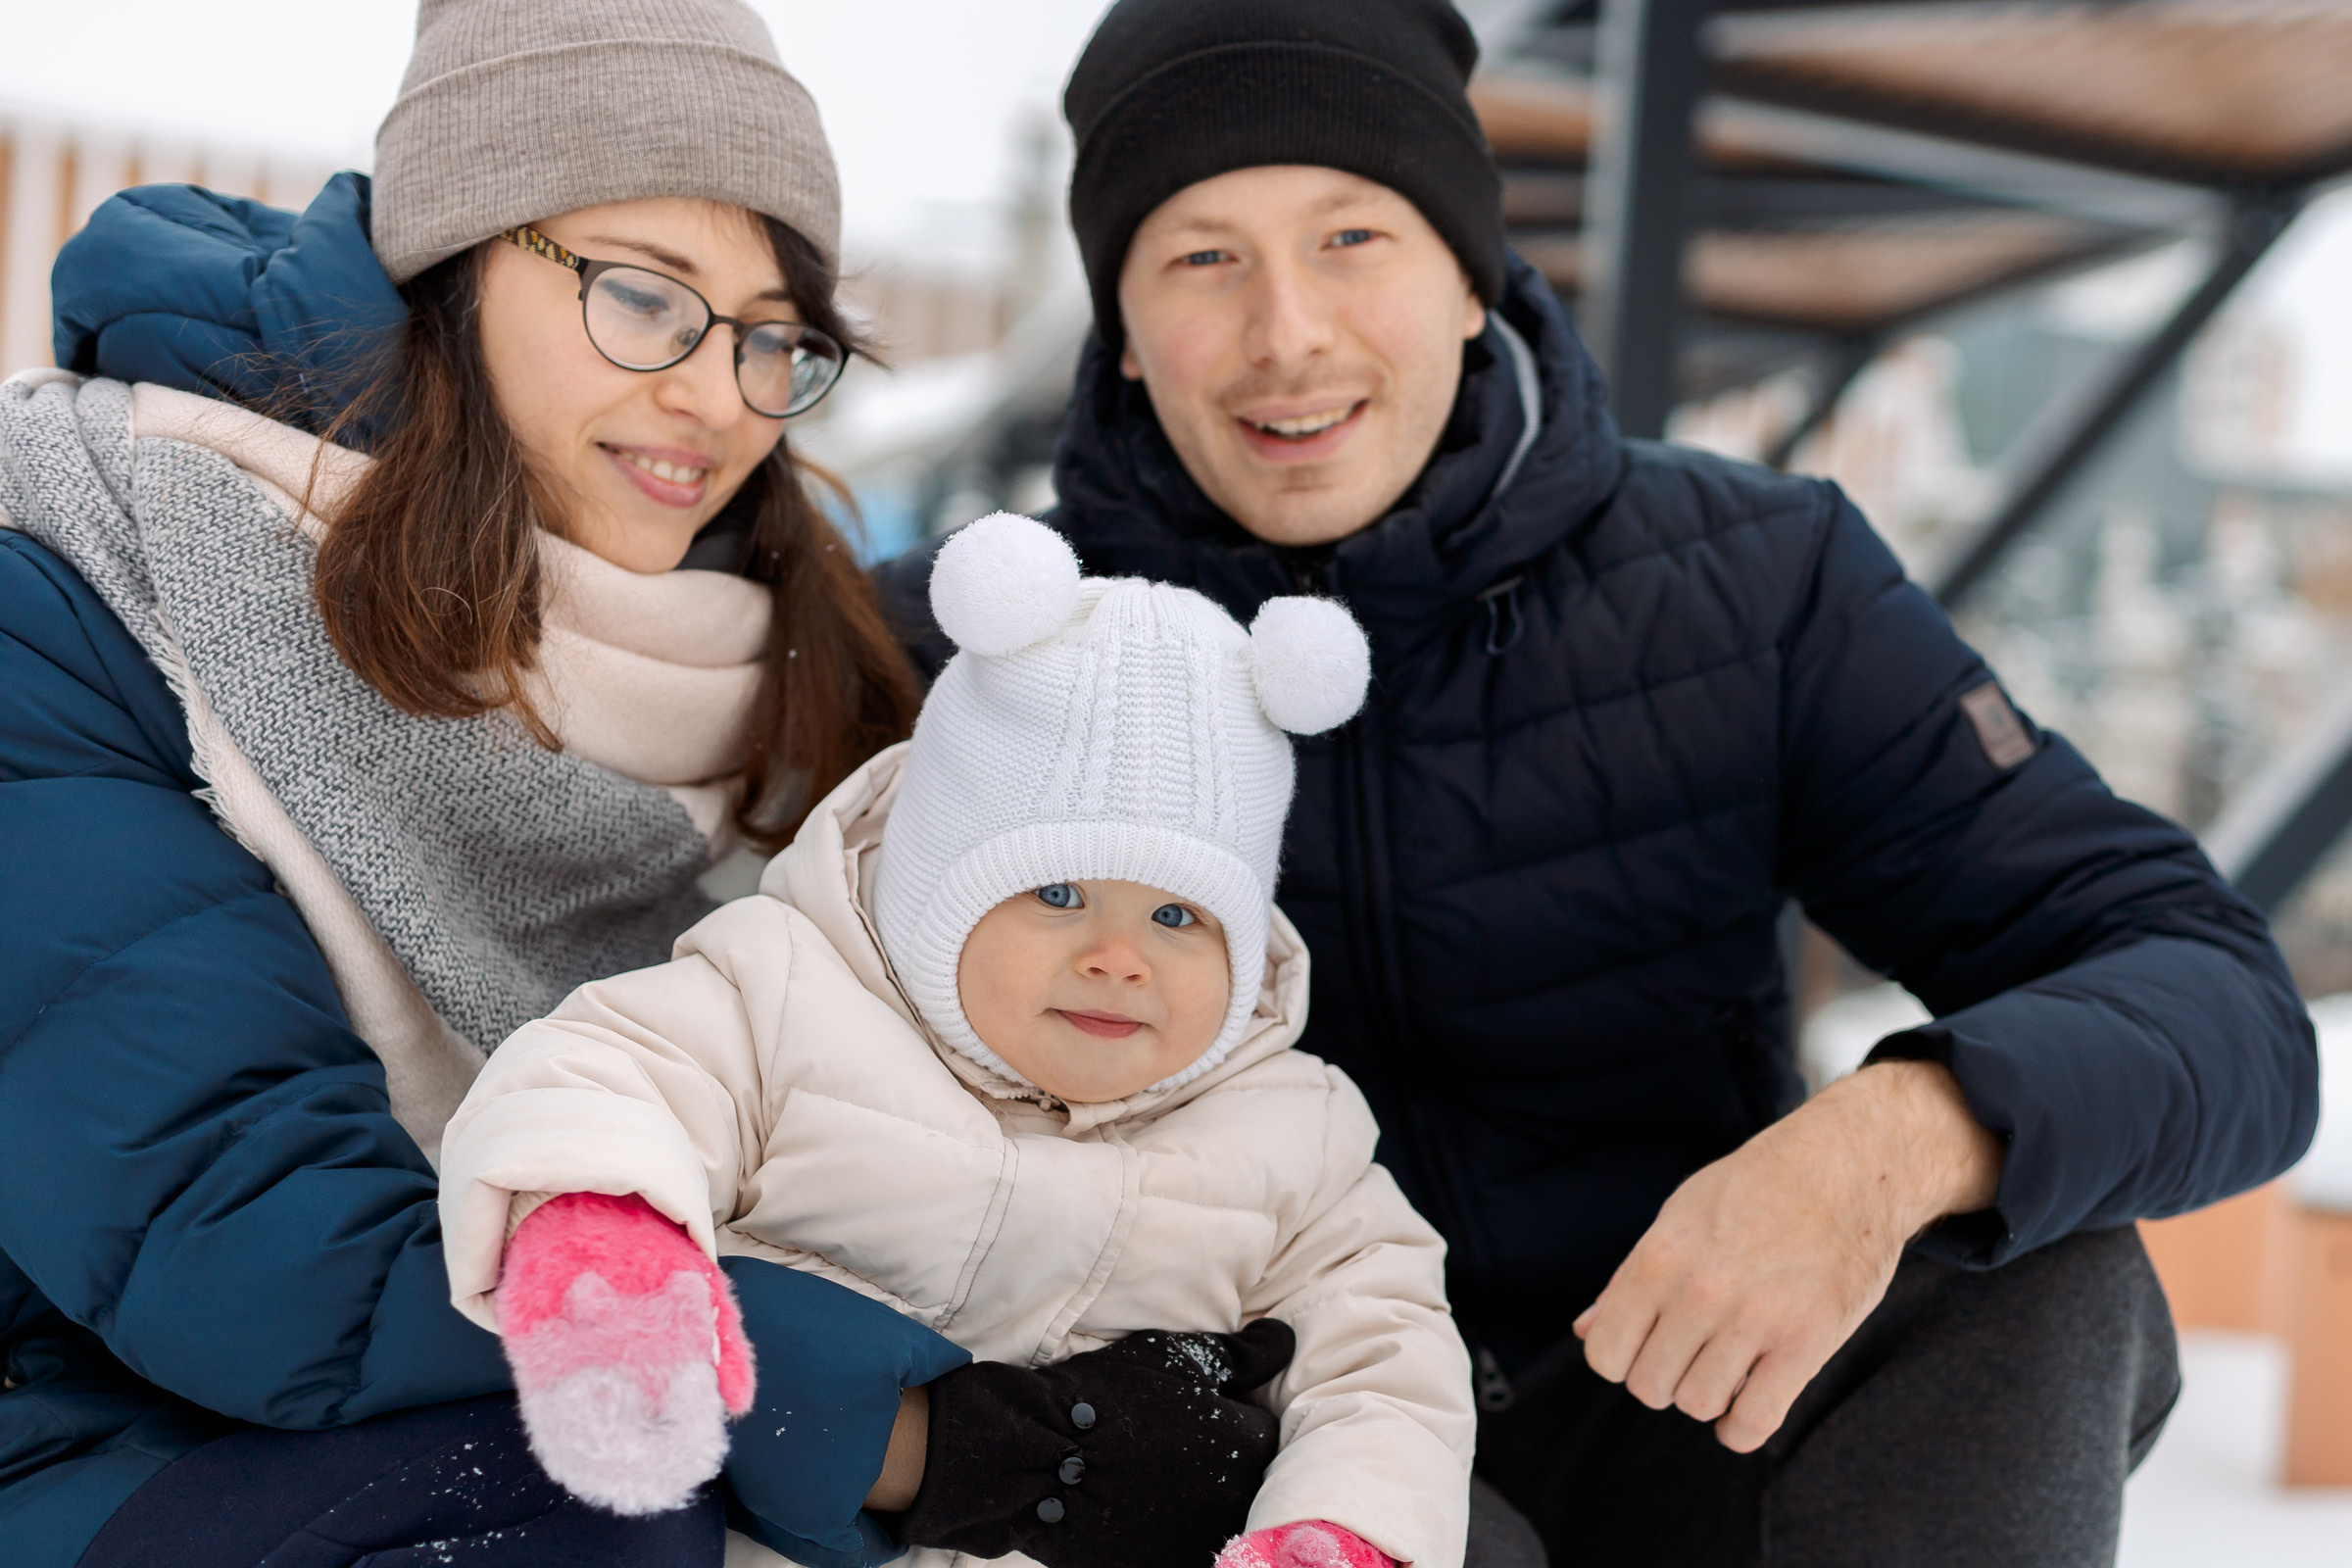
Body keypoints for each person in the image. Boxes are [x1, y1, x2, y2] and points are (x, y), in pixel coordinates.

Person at [872, 1, 2323, 1563]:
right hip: (1256, 1436)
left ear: (1468, 271)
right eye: (1203, 257)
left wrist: (1897, 1134)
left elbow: (2217, 998)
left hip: (1677, 1385)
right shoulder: (965, 642)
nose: (1287, 329)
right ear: (1126, 329)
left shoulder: (1760, 582)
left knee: (2042, 1258)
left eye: (1353, 235)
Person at [0, 4, 1279, 1566]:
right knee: (604, 1515)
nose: (718, 396)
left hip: (516, 1374)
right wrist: (937, 1443)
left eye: (768, 336)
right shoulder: (77, 599)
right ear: (453, 268)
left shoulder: (758, 654)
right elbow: (244, 1248)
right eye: (642, 298)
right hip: (84, 1421)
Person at [430, 511, 1475, 1568]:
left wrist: (1341, 1534)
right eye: (1059, 893)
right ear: (936, 889)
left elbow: (1387, 1362)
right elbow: (602, 1079)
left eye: (1178, 918)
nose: (1122, 957)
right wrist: (610, 1260)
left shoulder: (1297, 1135)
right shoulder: (787, 994)